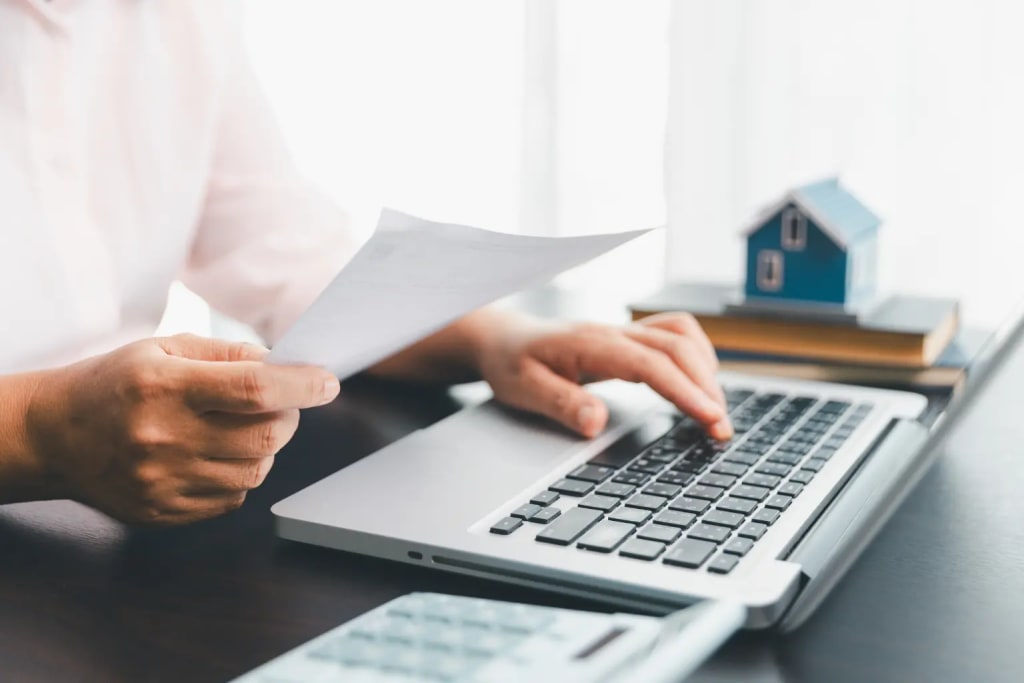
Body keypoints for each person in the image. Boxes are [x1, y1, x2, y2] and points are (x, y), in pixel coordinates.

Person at [0, 1, 730, 526]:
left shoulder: (177, 19)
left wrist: (494, 341)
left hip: (105, 550)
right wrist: (37, 428)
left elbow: (288, 255)